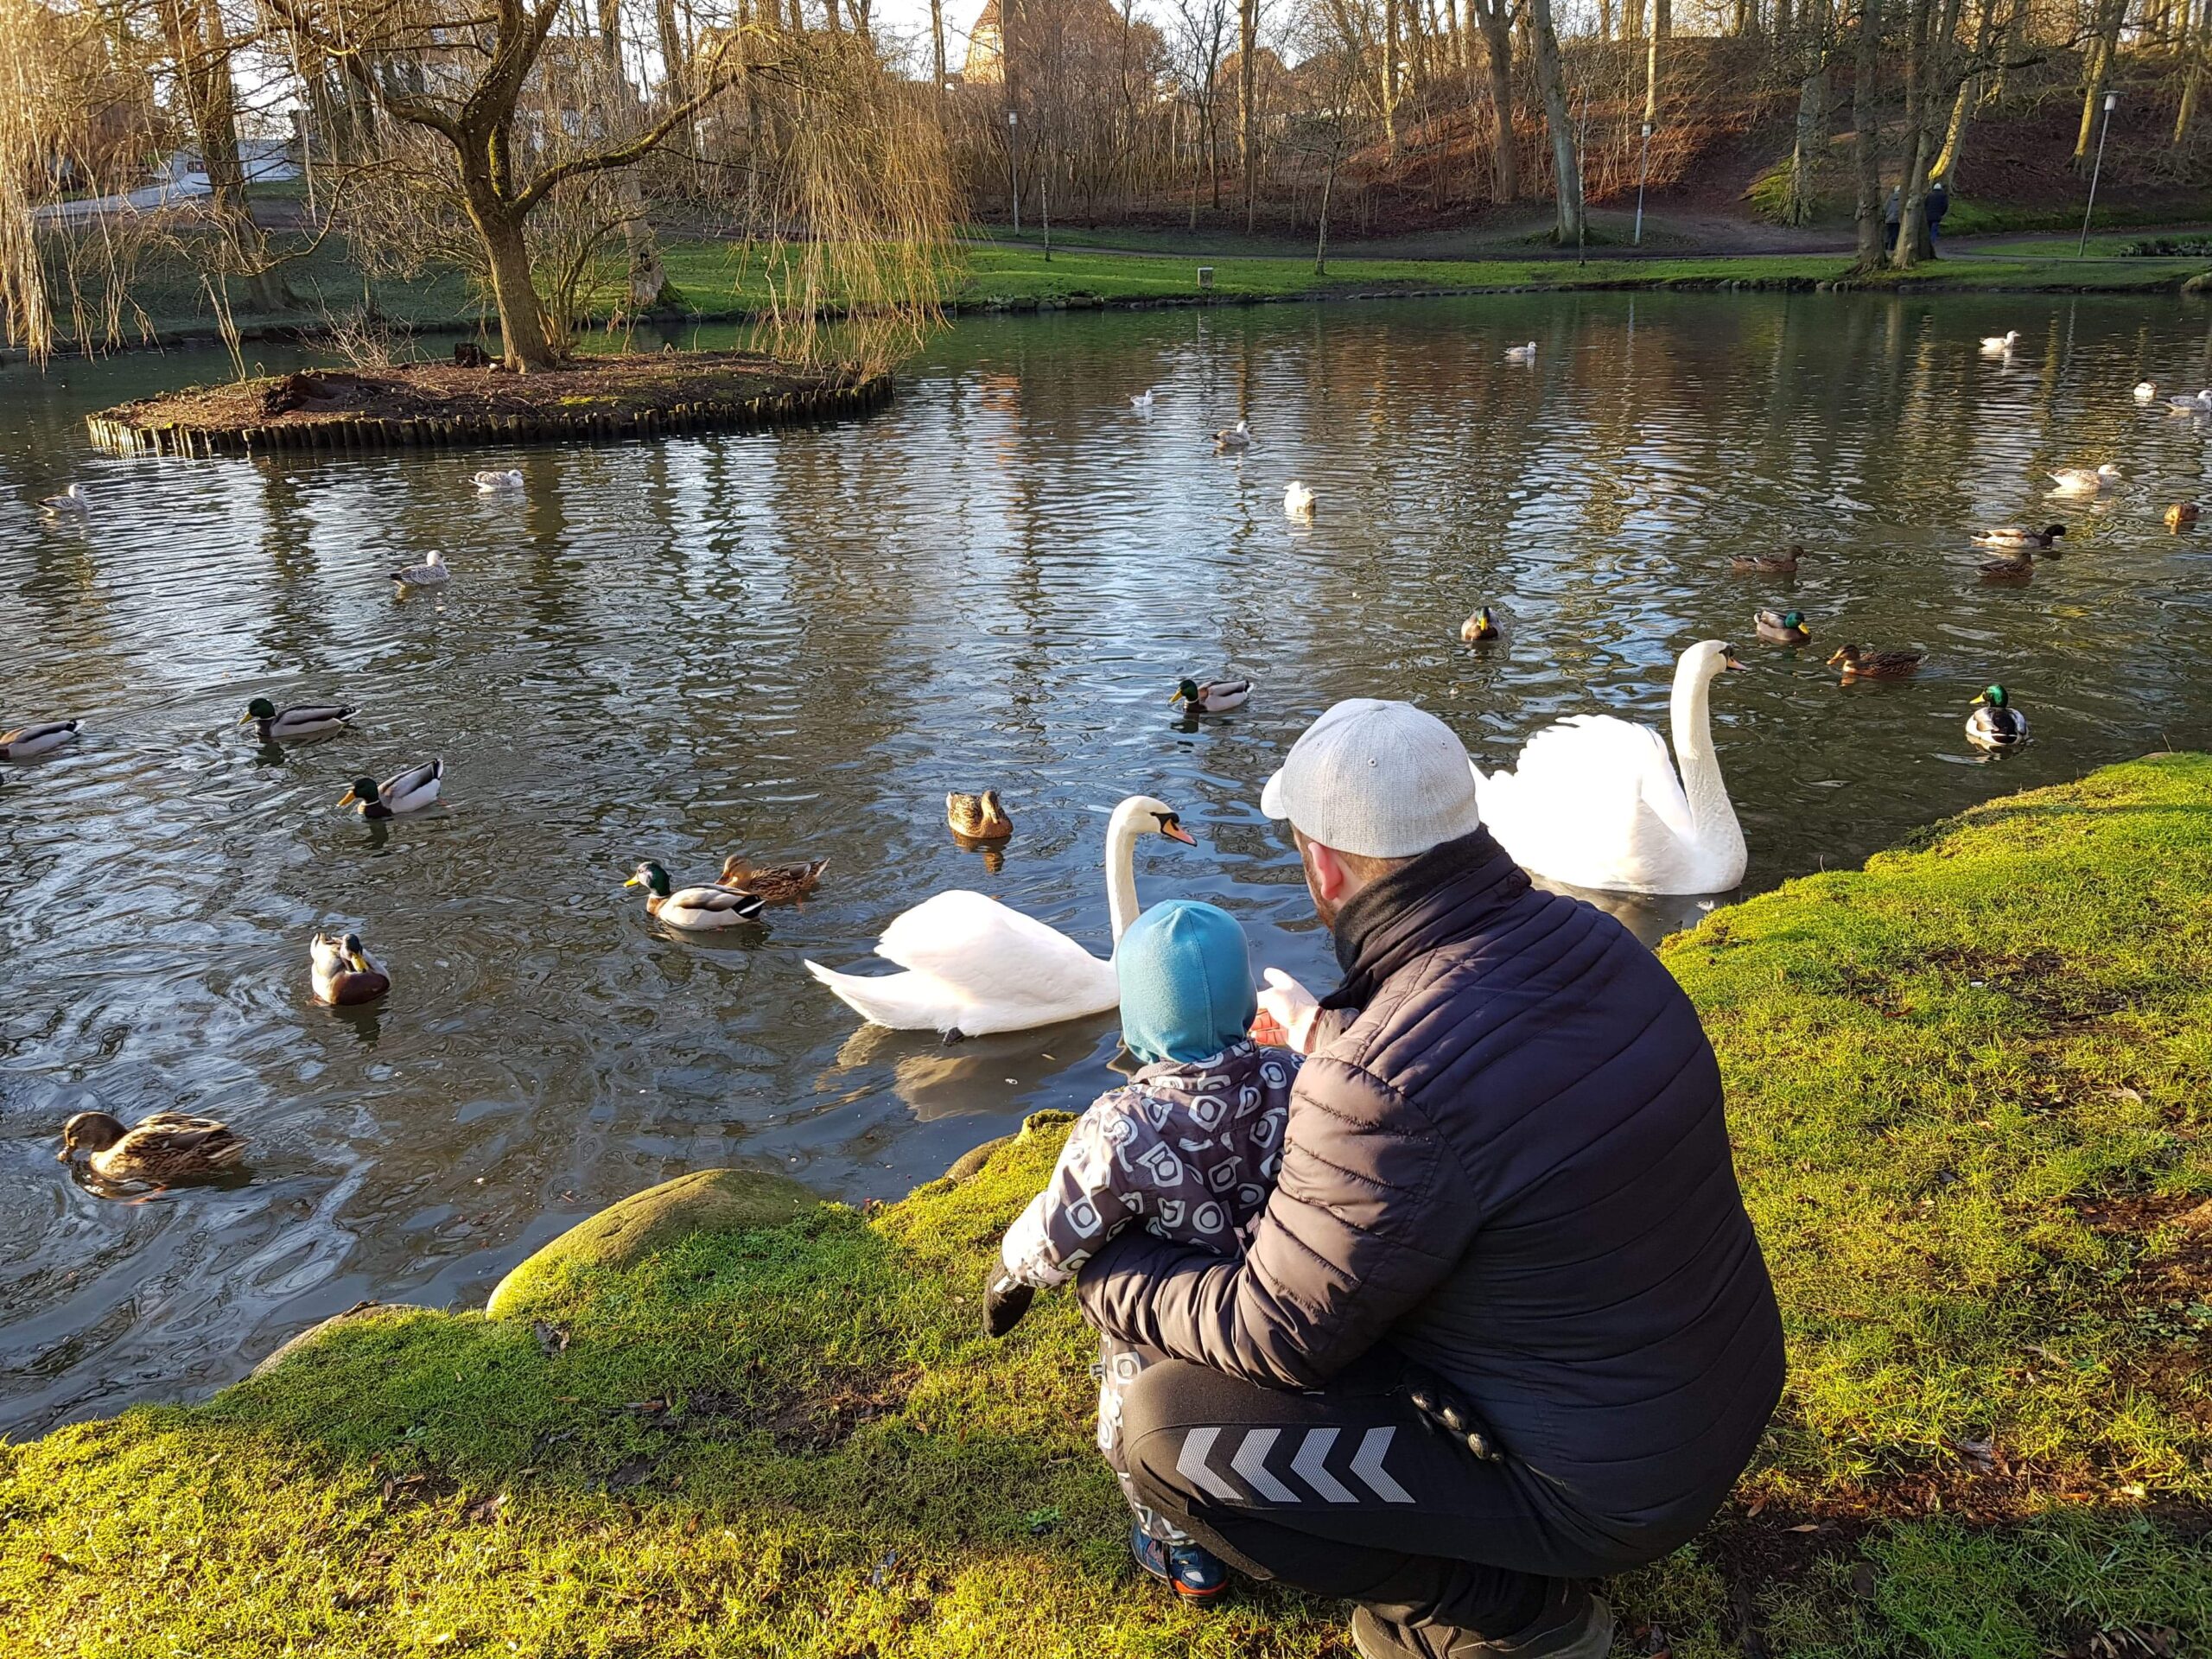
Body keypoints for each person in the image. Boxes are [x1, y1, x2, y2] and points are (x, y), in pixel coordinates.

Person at [1073, 698, 1785, 1659]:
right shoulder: (1599, 943)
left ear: (1324, 866)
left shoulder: (1373, 1081)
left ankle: (1506, 1613)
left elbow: (1268, 1333)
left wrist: (1105, 1268)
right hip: (1715, 1404)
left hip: (1603, 1493)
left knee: (1169, 1433)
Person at [982, 899, 1301, 1605]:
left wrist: (1013, 1272)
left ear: (1136, 1018)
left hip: (1163, 1328)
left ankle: (1180, 1542)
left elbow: (1062, 1228)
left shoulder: (1121, 1125)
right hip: (1272, 1309)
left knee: (1134, 1407)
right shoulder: (1295, 1079)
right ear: (1247, 1002)